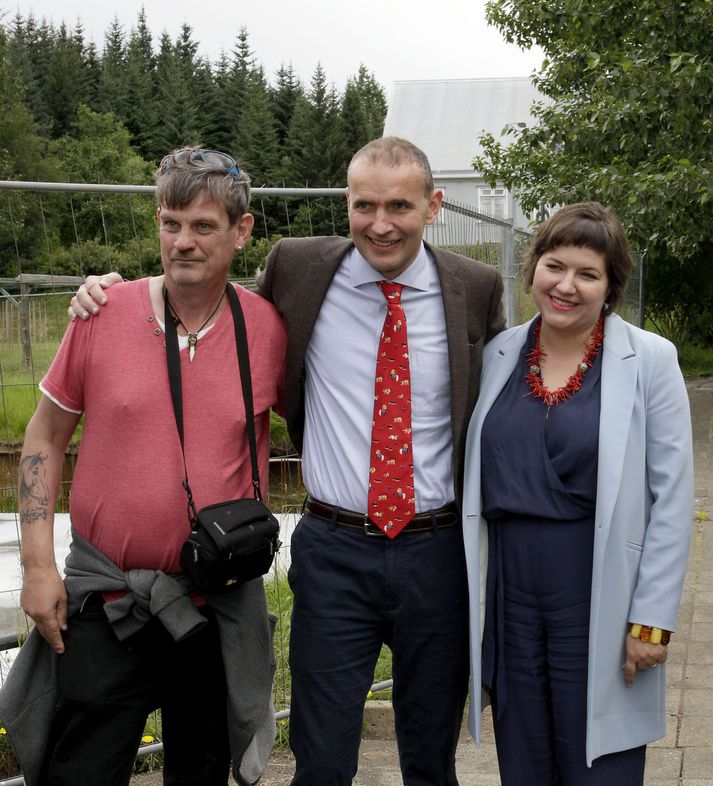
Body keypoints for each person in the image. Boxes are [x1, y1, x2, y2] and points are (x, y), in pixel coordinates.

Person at [68, 136, 506, 786]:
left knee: (428, 754)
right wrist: (112, 292)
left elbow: (500, 401)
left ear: (432, 205)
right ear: (346, 204)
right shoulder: (298, 269)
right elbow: (209, 301)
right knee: (320, 755)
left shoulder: (476, 287)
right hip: (334, 551)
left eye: (398, 206)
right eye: (363, 205)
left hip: (437, 555)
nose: (379, 223)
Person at [1, 147, 286, 786]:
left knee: (203, 771)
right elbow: (43, 437)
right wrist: (40, 566)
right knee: (82, 770)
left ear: (241, 232)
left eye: (203, 226)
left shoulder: (266, 329)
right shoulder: (101, 313)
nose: (182, 242)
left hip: (216, 599)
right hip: (107, 600)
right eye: (169, 223)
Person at [462, 202, 694, 785]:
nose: (566, 285)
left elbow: (672, 498)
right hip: (511, 592)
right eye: (553, 265)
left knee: (599, 762)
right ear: (533, 268)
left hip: (598, 588)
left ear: (611, 287)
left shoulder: (650, 361)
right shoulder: (498, 355)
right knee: (524, 757)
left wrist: (652, 621)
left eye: (587, 274)